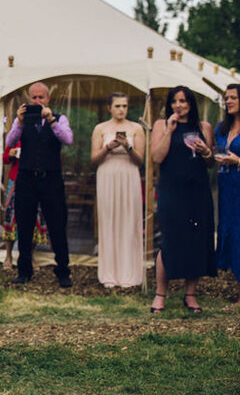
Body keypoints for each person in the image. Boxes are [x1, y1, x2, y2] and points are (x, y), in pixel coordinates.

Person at [150, 86, 216, 313]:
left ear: (191, 104)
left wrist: (206, 151)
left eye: (183, 101)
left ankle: (191, 294)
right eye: (175, 101)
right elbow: (157, 156)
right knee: (169, 240)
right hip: (172, 190)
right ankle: (160, 294)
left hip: (197, 190)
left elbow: (210, 163)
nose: (179, 106)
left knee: (197, 240)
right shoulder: (161, 125)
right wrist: (169, 130)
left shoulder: (204, 127)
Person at [5, 82, 74, 288]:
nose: (37, 101)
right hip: (26, 178)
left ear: (47, 99)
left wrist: (51, 120)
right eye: (33, 98)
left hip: (51, 179)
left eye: (40, 98)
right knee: (24, 225)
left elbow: (68, 139)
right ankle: (24, 271)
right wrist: (18, 121)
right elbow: (9, 142)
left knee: (57, 225)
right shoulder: (23, 121)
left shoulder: (59, 119)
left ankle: (63, 270)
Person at [90, 93, 145, 287]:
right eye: (117, 106)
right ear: (109, 108)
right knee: (109, 220)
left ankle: (129, 273)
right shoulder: (101, 128)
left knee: (129, 221)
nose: (121, 109)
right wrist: (108, 148)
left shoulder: (136, 128)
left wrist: (128, 147)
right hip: (107, 173)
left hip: (128, 173)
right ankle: (109, 274)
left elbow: (140, 160)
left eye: (124, 106)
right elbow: (94, 159)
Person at [0, 139, 49, 270]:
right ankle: (8, 256)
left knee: (35, 218)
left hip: (36, 182)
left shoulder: (41, 136)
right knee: (11, 217)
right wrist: (10, 154)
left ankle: (29, 256)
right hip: (16, 181)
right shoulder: (15, 137)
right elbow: (4, 159)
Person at [215, 83, 240, 308]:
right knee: (231, 234)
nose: (228, 101)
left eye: (233, 97)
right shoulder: (221, 129)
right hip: (226, 187)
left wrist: (238, 161)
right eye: (226, 98)